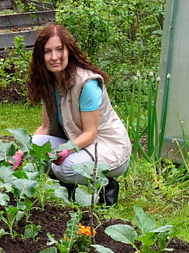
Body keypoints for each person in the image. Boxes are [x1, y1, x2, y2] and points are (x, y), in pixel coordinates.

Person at [25, 22, 131, 206]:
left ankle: (107, 185)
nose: (54, 57)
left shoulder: (86, 83)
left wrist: (66, 150)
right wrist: (23, 150)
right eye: (48, 51)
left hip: (105, 146)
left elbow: (91, 132)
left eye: (59, 49)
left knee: (63, 169)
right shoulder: (48, 82)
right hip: (78, 143)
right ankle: (68, 192)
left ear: (69, 51)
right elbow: (45, 128)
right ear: (40, 56)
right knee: (34, 147)